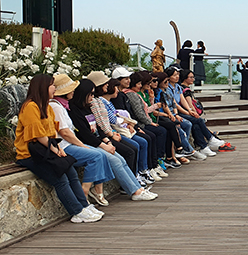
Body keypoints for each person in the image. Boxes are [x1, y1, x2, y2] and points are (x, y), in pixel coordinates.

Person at [14, 74, 103, 223]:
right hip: (31, 154)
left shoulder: (46, 106)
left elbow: (51, 132)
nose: (55, 89)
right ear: (43, 87)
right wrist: (56, 151)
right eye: (52, 85)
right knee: (60, 179)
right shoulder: (30, 107)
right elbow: (39, 135)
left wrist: (59, 149)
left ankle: (84, 206)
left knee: (71, 171)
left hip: (46, 150)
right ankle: (76, 212)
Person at [67, 79, 157, 201]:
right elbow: (85, 134)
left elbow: (98, 127)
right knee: (115, 161)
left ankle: (138, 188)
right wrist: (104, 145)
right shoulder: (74, 110)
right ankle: (134, 191)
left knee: (121, 159)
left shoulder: (87, 107)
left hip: (99, 140)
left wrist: (107, 141)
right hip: (89, 144)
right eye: (91, 94)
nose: (93, 97)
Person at [50, 74, 114, 207]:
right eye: (71, 89)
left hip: (68, 143)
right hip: (64, 145)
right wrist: (82, 146)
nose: (73, 91)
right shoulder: (56, 106)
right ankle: (84, 192)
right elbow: (65, 132)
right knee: (96, 156)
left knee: (100, 154)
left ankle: (97, 190)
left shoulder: (63, 105)